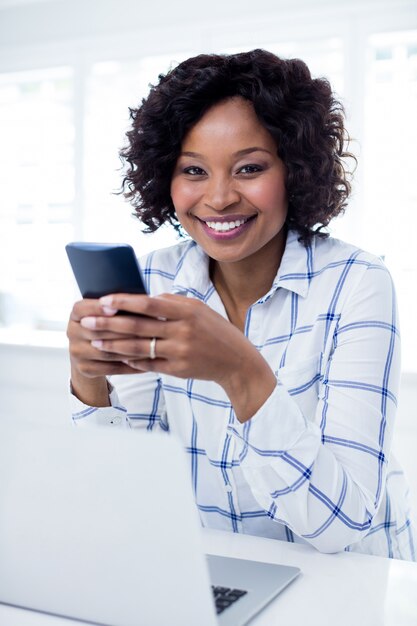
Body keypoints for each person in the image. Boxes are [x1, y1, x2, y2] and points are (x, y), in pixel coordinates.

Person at [67, 49, 415, 560]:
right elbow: (124, 489)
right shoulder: (157, 277)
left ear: (294, 170)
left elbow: (342, 527)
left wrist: (243, 373)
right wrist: (89, 382)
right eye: (194, 170)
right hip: (220, 573)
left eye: (249, 168)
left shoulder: (357, 284)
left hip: (353, 583)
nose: (220, 198)